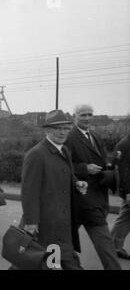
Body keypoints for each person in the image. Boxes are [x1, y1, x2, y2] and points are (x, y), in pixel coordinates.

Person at [20, 109, 87, 270]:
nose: (62, 132)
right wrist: (31, 222)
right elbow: (29, 192)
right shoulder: (36, 154)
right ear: (47, 130)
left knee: (54, 261)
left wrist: (77, 183)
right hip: (46, 224)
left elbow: (64, 174)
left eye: (66, 128)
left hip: (63, 223)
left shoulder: (64, 150)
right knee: (52, 262)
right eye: (57, 128)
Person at [65, 104, 122, 270]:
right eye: (83, 115)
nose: (87, 118)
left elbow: (102, 159)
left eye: (90, 114)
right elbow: (62, 165)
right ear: (75, 116)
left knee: (62, 238)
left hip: (97, 195)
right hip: (83, 197)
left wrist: (109, 167)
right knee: (104, 241)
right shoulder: (69, 137)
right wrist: (84, 168)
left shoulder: (95, 135)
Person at [110, 132, 130, 260]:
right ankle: (112, 247)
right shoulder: (124, 144)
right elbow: (122, 170)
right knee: (125, 217)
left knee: (126, 217)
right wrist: (127, 192)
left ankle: (113, 246)